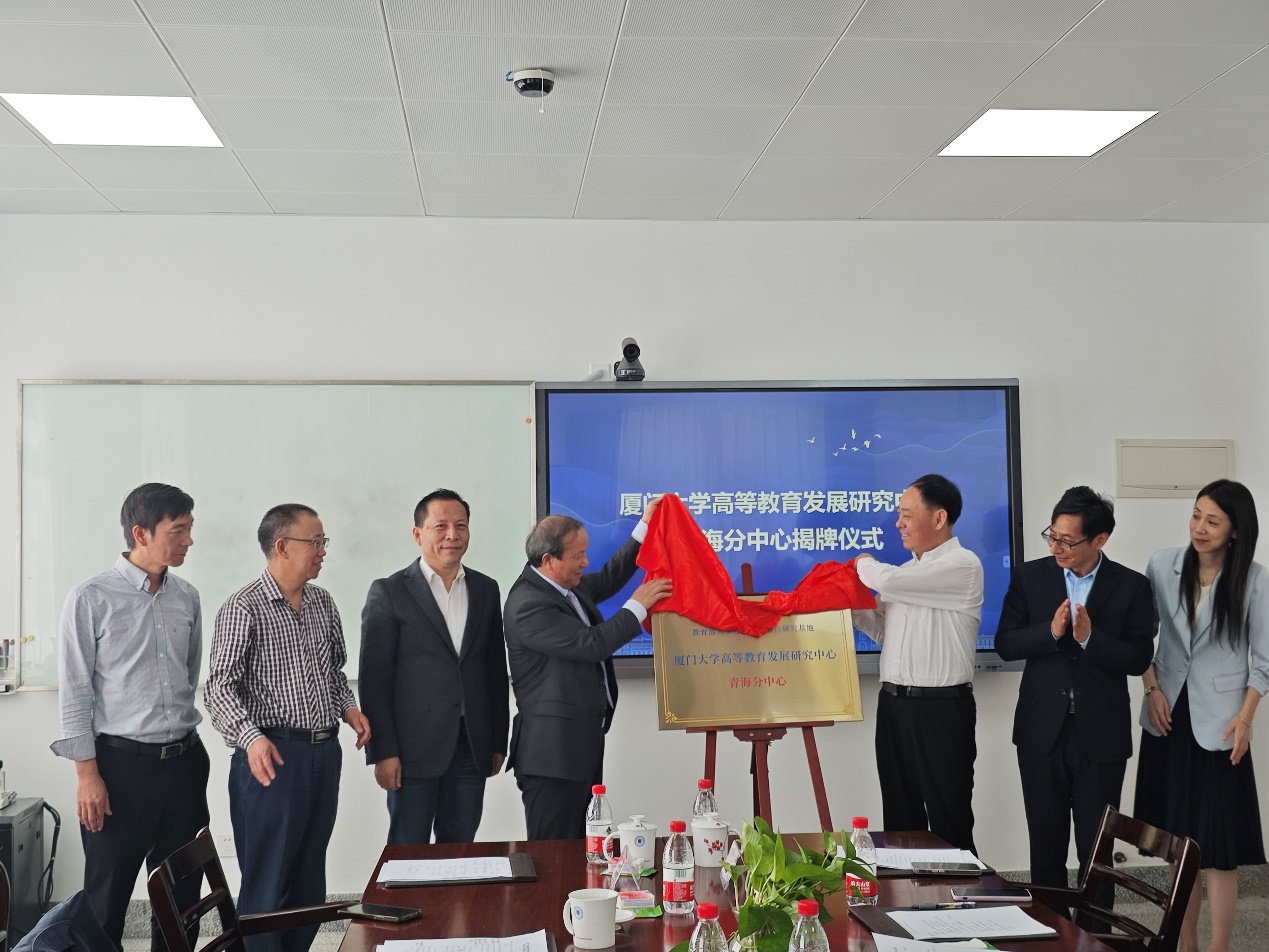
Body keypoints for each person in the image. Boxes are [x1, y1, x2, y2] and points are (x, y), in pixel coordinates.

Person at [205, 504, 371, 952]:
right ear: (282, 546)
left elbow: (332, 673)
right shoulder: (243, 607)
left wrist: (349, 709)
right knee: (268, 882)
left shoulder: (322, 603)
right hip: (271, 757)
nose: (323, 551)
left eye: (323, 542)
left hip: (323, 754)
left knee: (309, 880)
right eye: (315, 542)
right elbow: (218, 688)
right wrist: (251, 739)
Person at [52, 483, 210, 952]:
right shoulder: (90, 598)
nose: (188, 540)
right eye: (178, 530)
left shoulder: (187, 597)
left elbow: (187, 676)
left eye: (190, 529)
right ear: (141, 533)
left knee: (183, 902)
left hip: (184, 764)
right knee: (106, 905)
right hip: (118, 771)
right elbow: (75, 693)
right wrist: (87, 775)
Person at [995, 487, 1153, 906]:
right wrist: (1050, 633)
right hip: (1040, 732)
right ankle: (1051, 931)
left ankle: (1097, 935)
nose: (1055, 547)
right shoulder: (1030, 577)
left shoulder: (1132, 586)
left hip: (1100, 736)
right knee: (1045, 845)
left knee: (1096, 851)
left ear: (1099, 539)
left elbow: (1139, 657)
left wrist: (1090, 639)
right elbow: (1006, 643)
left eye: (1067, 541)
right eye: (1052, 536)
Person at [1135, 479, 1268, 952]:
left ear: (1235, 530)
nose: (1199, 527)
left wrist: (1246, 718)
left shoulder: (1254, 579)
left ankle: (1219, 947)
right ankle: (1185, 943)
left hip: (1221, 724)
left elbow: (1264, 661)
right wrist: (1151, 688)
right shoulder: (1162, 564)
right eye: (1196, 515)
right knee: (1178, 846)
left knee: (1220, 849)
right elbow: (1140, 637)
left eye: (1213, 521)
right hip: (1168, 716)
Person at [504, 499, 671, 839]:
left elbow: (609, 578)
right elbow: (592, 644)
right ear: (548, 560)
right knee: (553, 850)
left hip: (579, 746)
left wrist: (644, 527)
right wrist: (638, 606)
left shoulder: (564, 586)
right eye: (578, 555)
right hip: (552, 758)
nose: (586, 562)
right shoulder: (529, 605)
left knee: (584, 846)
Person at [359, 489, 510, 844]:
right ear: (418, 534)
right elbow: (374, 681)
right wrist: (383, 752)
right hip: (411, 753)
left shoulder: (485, 589)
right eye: (440, 526)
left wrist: (497, 741)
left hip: (471, 747)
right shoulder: (389, 592)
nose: (452, 535)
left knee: (461, 848)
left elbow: (494, 671)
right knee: (407, 851)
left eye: (461, 526)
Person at [853, 474, 983, 853]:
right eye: (899, 515)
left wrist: (862, 563)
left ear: (939, 518)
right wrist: (851, 605)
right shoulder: (907, 572)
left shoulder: (962, 564)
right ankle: (906, 892)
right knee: (900, 820)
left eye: (907, 515)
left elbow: (888, 583)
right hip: (893, 705)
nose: (899, 524)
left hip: (941, 709)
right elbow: (885, 632)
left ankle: (960, 893)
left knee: (949, 820)